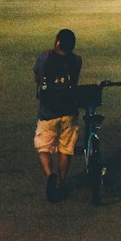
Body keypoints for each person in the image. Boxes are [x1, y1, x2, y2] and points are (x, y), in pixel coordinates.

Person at [33, 29, 82, 201]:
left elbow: (37, 78)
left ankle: (49, 174)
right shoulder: (76, 60)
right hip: (68, 111)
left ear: (57, 42)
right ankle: (62, 182)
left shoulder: (44, 58)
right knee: (65, 149)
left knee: (44, 148)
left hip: (48, 112)